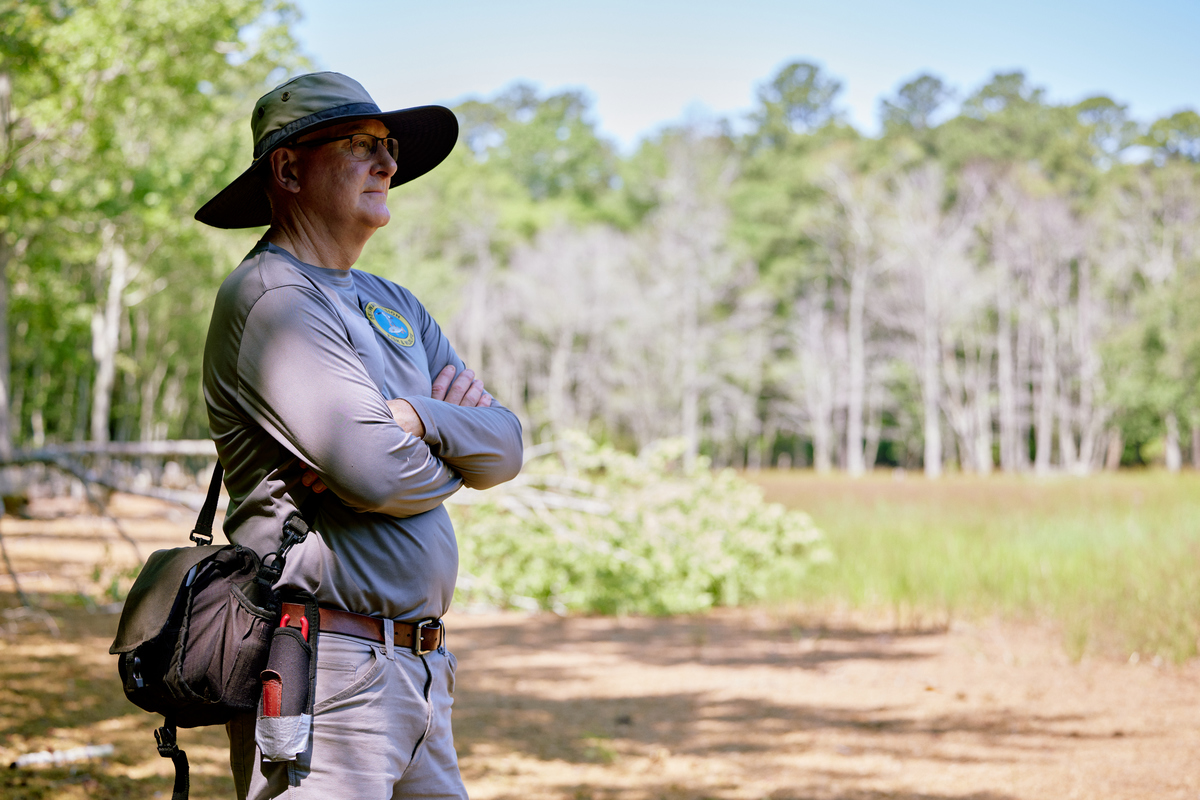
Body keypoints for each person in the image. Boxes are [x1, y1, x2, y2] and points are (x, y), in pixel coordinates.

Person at [195, 71, 523, 799]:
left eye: (390, 147)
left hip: (423, 669)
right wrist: (444, 454)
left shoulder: (393, 301)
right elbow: (375, 470)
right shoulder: (273, 297)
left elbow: (505, 446)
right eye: (362, 145)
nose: (388, 165)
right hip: (329, 668)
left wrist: (417, 420)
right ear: (288, 169)